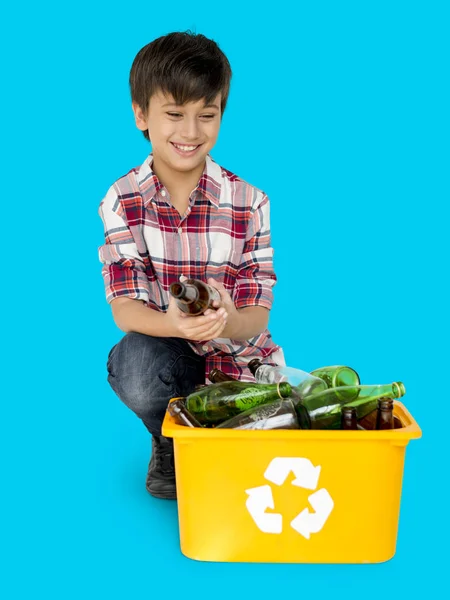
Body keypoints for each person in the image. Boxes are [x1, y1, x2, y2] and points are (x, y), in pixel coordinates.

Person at [98, 31, 285, 500]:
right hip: (168, 356)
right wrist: (176, 325)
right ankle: (168, 439)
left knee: (251, 481)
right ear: (141, 114)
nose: (190, 132)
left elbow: (258, 312)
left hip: (240, 365)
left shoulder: (250, 202)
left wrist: (227, 319)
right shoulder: (122, 200)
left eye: (207, 114)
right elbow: (124, 309)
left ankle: (208, 431)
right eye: (174, 114)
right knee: (135, 364)